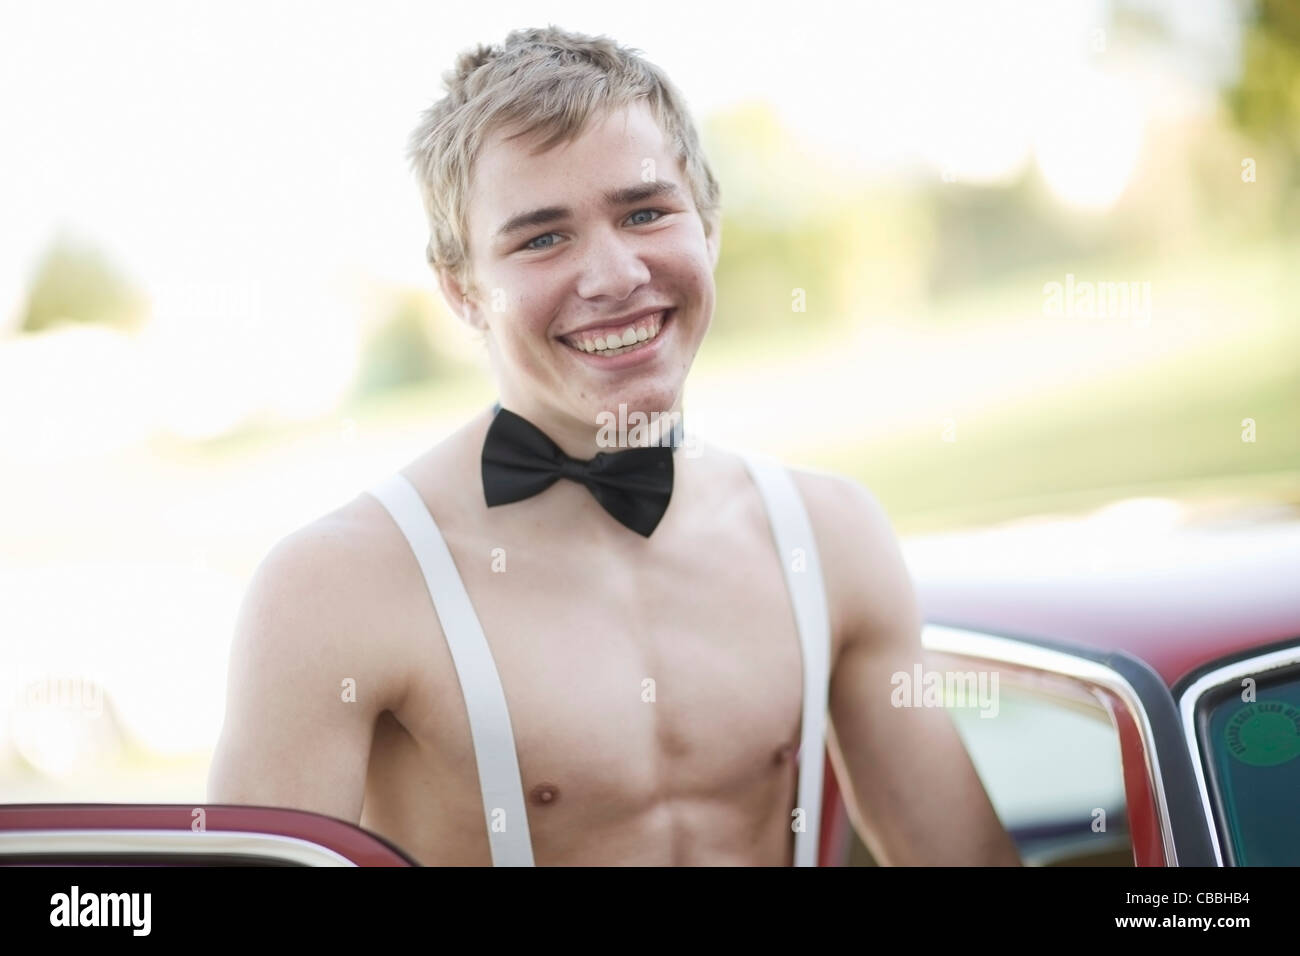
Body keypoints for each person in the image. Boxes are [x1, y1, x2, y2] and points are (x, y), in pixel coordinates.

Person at [207, 25, 1021, 867]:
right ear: (462, 291)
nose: (615, 275)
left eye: (644, 212)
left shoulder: (832, 537)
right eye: (542, 238)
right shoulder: (330, 590)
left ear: (707, 227)